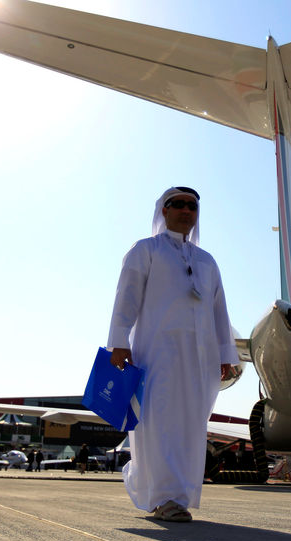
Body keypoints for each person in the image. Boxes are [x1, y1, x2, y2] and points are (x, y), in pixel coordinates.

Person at [107, 186, 237, 523]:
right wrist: (118, 341)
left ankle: (177, 496)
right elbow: (126, 298)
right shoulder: (145, 250)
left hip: (200, 358)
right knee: (157, 422)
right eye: (176, 204)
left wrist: (226, 355)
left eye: (191, 206)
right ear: (163, 211)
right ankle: (162, 496)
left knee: (190, 425)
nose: (185, 210)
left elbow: (219, 311)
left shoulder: (207, 261)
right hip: (156, 354)